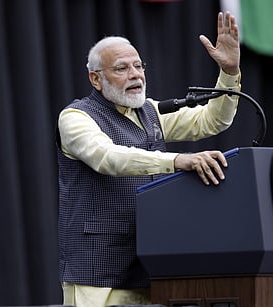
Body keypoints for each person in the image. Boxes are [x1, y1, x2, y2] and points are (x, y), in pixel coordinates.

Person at [56, 11, 240, 307]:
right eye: (121, 68)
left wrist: (229, 73)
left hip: (151, 265)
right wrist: (176, 160)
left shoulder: (149, 112)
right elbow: (108, 157)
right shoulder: (76, 118)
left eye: (139, 66)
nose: (135, 74)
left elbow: (211, 121)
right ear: (96, 78)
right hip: (97, 272)